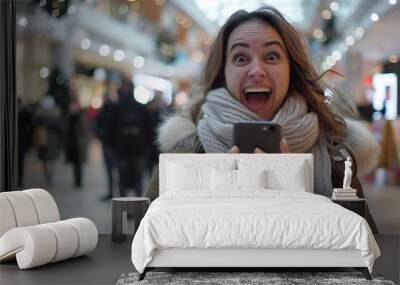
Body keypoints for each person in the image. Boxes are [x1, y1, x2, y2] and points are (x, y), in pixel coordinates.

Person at [144, 6, 380, 231]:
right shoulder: (185, 153)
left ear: (291, 70)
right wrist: (219, 198)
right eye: (240, 58)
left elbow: (366, 249)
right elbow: (147, 242)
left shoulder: (335, 156)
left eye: (271, 56)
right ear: (222, 74)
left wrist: (291, 193)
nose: (256, 70)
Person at [108, 79, 152, 197]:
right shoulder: (140, 108)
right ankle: (133, 206)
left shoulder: (117, 108)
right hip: (130, 150)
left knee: (130, 180)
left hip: (129, 150)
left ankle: (128, 207)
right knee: (130, 180)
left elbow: (148, 130)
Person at [65, 97, 89, 188]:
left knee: (78, 163)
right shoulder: (69, 117)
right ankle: (76, 180)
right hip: (71, 143)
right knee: (74, 163)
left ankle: (79, 181)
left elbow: (84, 130)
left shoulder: (81, 116)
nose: (73, 107)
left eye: (74, 105)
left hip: (79, 143)